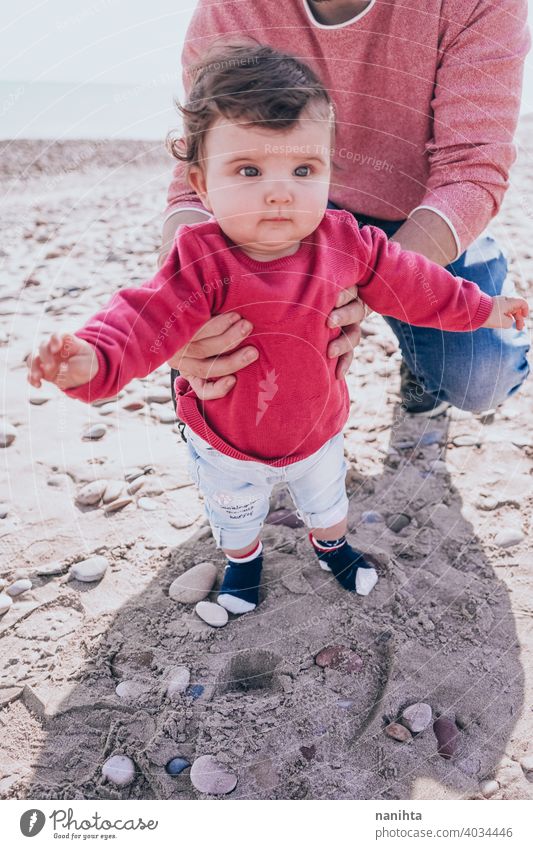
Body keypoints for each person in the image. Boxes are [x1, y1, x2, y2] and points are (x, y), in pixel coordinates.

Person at [26, 47, 528, 616]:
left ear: (329, 173)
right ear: (201, 182)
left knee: (328, 502)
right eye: (249, 170)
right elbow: (141, 320)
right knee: (234, 518)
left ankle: (331, 546)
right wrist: (90, 358)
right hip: (227, 441)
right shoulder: (201, 259)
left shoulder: (345, 243)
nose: (280, 191)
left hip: (317, 430)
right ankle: (244, 564)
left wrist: (482, 309)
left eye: (303, 170)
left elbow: (418, 285)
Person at [162, 0, 530, 421]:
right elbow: (198, 172)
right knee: (218, 315)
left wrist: (372, 282)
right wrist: (180, 297)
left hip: (425, 208)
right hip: (296, 204)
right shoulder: (231, 10)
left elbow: (471, 170)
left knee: (482, 376)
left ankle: (425, 361)